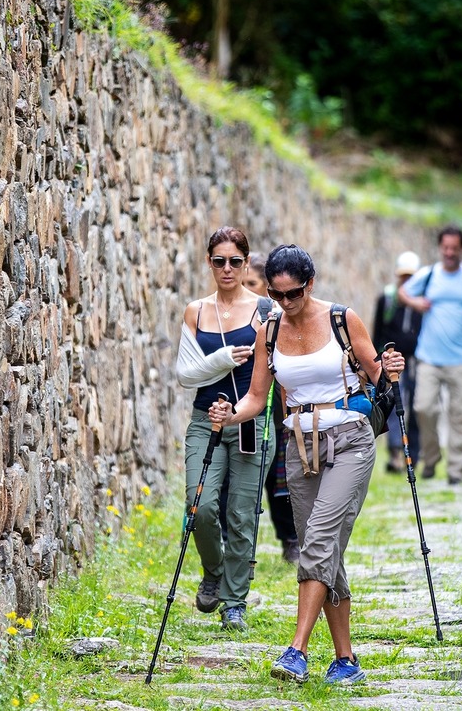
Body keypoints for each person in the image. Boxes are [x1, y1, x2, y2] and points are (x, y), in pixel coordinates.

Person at [208, 245, 405, 686]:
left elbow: (378, 375)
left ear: (309, 284)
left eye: (292, 294)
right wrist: (229, 415)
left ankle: (296, 651)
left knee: (316, 540)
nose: (285, 303)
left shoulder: (342, 319)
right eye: (277, 296)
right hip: (300, 446)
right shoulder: (269, 331)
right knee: (326, 550)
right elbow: (258, 398)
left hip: (351, 439)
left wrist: (391, 367)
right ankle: (346, 660)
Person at [174, 226, 272, 630]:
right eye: (219, 261)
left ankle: (234, 601)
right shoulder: (196, 311)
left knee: (242, 513)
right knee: (201, 508)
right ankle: (214, 572)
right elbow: (185, 374)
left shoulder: (266, 311)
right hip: (205, 421)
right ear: (209, 262)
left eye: (235, 261)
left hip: (250, 422)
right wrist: (224, 359)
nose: (227, 268)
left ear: (247, 263)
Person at [399, 225, 462, 485]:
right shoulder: (428, 275)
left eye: (454, 248)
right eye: (446, 248)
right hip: (429, 357)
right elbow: (402, 292)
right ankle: (430, 457)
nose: (450, 253)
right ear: (440, 248)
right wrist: (416, 302)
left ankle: (455, 470)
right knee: (422, 407)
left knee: (461, 415)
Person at [243, 252, 299, 564]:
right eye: (244, 282)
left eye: (253, 283)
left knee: (280, 482)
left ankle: (290, 539)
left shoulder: (277, 319)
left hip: (275, 411)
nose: (246, 287)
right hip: (246, 409)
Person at [373, 250, 423, 472]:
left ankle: (414, 455)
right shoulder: (387, 300)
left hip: (418, 361)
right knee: (395, 406)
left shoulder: (423, 302)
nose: (407, 280)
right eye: (404, 276)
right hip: (393, 362)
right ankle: (396, 455)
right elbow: (377, 333)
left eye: (411, 276)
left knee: (419, 406)